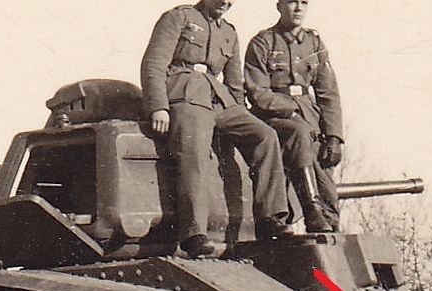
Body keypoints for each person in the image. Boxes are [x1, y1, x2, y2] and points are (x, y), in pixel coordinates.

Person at [142, 0, 293, 257]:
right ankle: (194, 234)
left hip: (220, 100)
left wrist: (241, 115)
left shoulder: (229, 32)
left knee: (265, 136)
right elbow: (153, 64)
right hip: (185, 96)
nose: (225, 2)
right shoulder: (180, 17)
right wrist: (158, 107)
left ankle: (270, 218)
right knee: (195, 152)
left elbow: (234, 84)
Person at [244, 0, 343, 232]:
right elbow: (258, 93)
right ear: (279, 6)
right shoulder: (263, 42)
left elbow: (328, 92)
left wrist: (334, 137)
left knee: (323, 164)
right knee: (297, 133)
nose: (298, 8)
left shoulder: (314, 43)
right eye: (292, 2)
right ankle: (312, 211)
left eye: (303, 2)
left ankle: (328, 221)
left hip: (310, 116)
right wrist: (291, 113)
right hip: (274, 116)